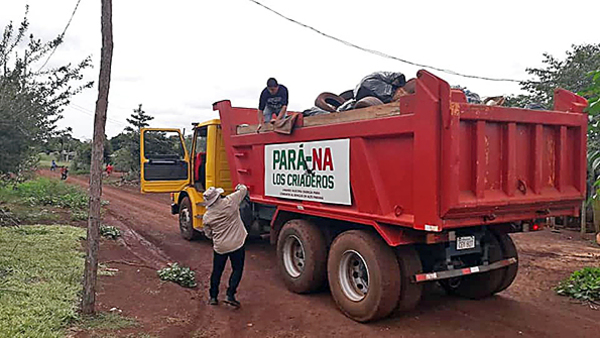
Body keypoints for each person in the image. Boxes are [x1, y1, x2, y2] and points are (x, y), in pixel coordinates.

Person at [202, 184, 248, 308]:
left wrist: (217, 237)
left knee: (217, 271)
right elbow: (243, 190)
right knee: (237, 269)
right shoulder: (230, 201)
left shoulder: (207, 216)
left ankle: (213, 297)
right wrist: (238, 186)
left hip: (220, 247)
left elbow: (208, 233)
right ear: (218, 196)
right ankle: (230, 294)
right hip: (237, 243)